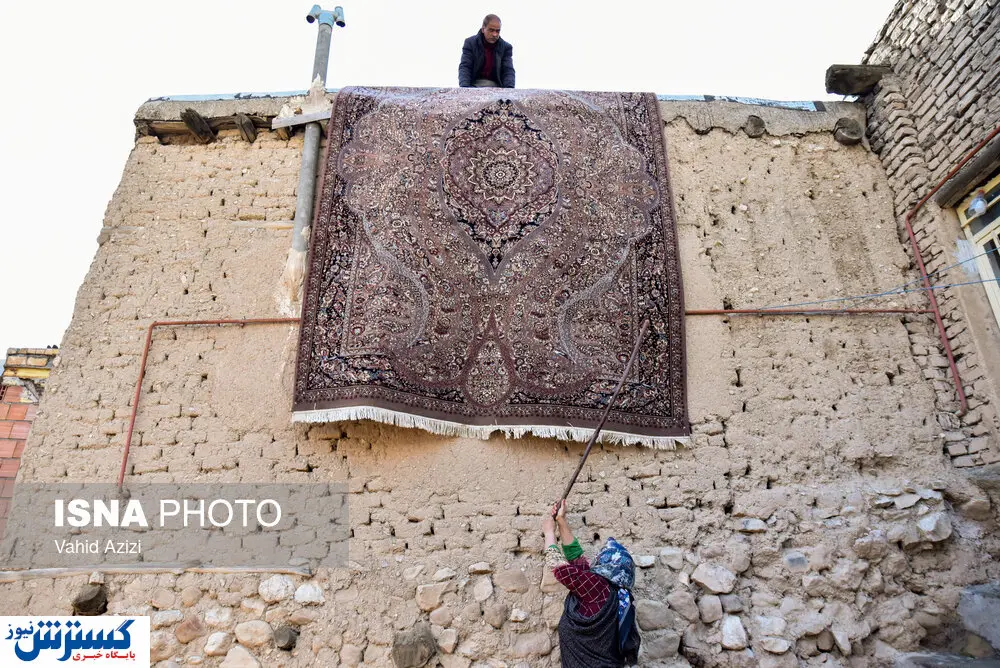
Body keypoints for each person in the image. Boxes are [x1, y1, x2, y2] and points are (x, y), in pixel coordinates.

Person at [542, 500, 641, 667]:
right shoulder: (612, 594)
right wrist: (561, 521)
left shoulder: (599, 588)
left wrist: (549, 533)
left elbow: (561, 569)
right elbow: (577, 560)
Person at [458, 14, 515, 88]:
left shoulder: (506, 47)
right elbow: (465, 67)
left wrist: (509, 91)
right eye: (491, 30)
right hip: (474, 86)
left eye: (497, 31)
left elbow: (508, 71)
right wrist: (465, 89)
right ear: (483, 29)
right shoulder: (470, 43)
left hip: (497, 88)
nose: (494, 34)